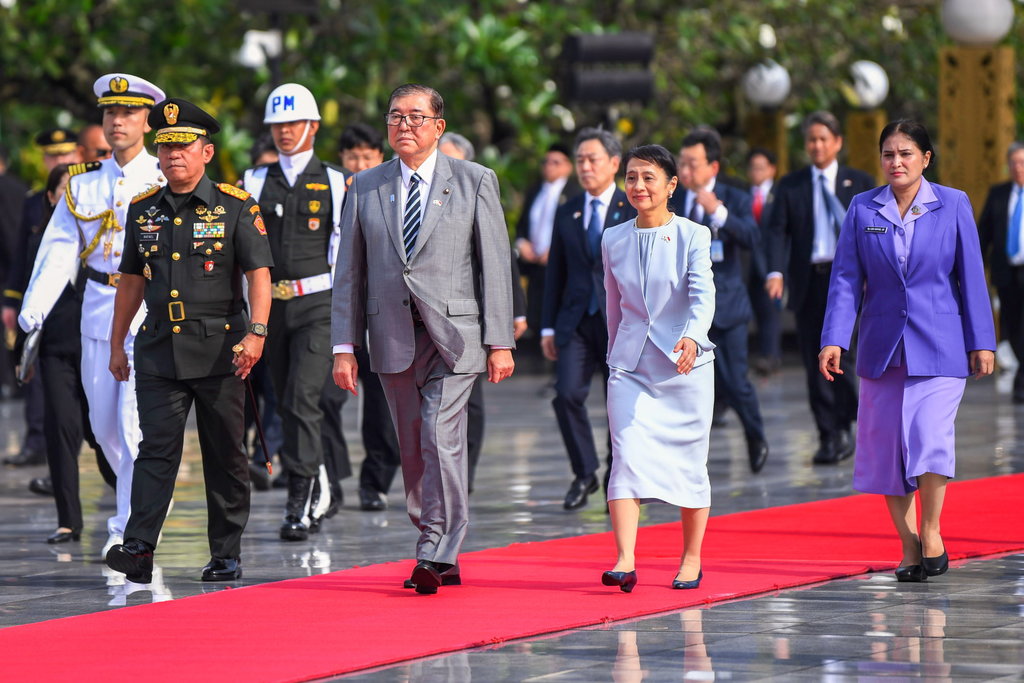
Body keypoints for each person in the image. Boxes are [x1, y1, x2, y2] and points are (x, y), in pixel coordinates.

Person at [332, 83, 515, 594]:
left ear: (438, 126)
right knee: (412, 446)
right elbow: (349, 272)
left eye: (416, 117)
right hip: (390, 335)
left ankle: (436, 547)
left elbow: (495, 265)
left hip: (455, 336)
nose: (405, 126)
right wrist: (344, 346)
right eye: (396, 117)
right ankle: (439, 544)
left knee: (439, 433)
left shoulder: (475, 180)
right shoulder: (365, 187)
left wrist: (500, 341)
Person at [818, 119, 995, 582]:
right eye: (888, 155)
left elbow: (971, 278)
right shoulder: (862, 207)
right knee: (886, 454)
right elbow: (845, 279)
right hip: (882, 349)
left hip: (940, 345)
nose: (896, 162)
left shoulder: (953, 204)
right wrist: (834, 338)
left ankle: (932, 530)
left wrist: (982, 342)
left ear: (926, 159)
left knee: (930, 438)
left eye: (906, 154)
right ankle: (908, 542)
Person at [105, 98, 273, 583]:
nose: (174, 154)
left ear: (206, 151)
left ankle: (225, 552)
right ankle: (138, 548)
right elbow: (132, 280)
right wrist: (117, 343)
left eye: (184, 146)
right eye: (166, 146)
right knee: (155, 449)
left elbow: (259, 275)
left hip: (221, 348)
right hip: (158, 348)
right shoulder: (144, 210)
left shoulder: (236, 206)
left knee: (225, 454)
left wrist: (257, 333)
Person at [19, 74, 166, 556]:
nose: (117, 121)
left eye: (127, 113)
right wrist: (34, 310)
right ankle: (136, 515)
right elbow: (60, 247)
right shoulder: (84, 183)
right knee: (103, 431)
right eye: (110, 113)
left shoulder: (163, 177)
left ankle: (130, 529)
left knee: (132, 426)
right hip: (98, 311)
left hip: (149, 313)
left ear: (147, 120)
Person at [600, 144, 716, 593]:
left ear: (671, 185)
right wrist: (614, 353)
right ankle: (625, 559)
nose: (638, 186)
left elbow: (703, 295)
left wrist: (692, 335)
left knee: (689, 464)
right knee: (625, 455)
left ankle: (691, 558)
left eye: (648, 177)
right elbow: (613, 303)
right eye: (631, 177)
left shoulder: (693, 234)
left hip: (684, 367)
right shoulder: (613, 237)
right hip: (629, 365)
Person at [240, 83, 347, 540]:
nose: (285, 132)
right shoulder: (253, 181)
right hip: (270, 308)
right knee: (284, 403)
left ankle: (299, 500)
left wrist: (350, 320)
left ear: (313, 127)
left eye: (293, 123)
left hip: (318, 303)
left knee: (304, 398)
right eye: (278, 125)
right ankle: (315, 476)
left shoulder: (338, 180)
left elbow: (344, 251)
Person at [765, 111, 875, 465]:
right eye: (810, 139)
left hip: (850, 281)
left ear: (837, 142)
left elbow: (874, 231)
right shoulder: (791, 184)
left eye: (823, 139)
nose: (816, 145)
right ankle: (829, 433)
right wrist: (776, 272)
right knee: (817, 360)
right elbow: (776, 231)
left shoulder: (859, 182)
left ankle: (854, 423)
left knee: (847, 354)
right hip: (810, 279)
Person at [543, 127, 637, 510]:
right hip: (576, 319)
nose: (584, 167)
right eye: (579, 159)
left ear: (614, 164)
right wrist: (547, 325)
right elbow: (556, 272)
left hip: (621, 321)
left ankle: (620, 472)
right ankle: (584, 472)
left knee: (619, 400)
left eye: (592, 159)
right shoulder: (568, 210)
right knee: (566, 395)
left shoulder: (632, 206)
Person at [438, 131, 527, 491]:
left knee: (468, 402)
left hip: (467, 316)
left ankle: (464, 478)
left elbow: (499, 256)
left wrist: (512, 314)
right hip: (421, 316)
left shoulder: (475, 188)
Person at [677, 129, 768, 473]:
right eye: (681, 164)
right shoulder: (674, 201)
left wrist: (719, 213)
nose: (685, 171)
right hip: (684, 309)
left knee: (733, 379)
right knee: (682, 385)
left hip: (726, 305)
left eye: (692, 164)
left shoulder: (733, 196)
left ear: (712, 165)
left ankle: (755, 435)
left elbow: (751, 236)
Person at [336, 122, 400, 512]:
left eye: (366, 156)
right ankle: (328, 476)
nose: (359, 163)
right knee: (324, 401)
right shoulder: (331, 189)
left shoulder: (389, 190)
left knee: (380, 403)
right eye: (352, 157)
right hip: (337, 307)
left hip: (381, 311)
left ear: (379, 158)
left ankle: (374, 482)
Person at [515, 143, 578, 356]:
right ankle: (538, 362)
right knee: (536, 314)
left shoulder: (574, 192)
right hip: (535, 264)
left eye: (556, 162)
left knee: (558, 315)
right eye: (546, 162)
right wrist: (522, 243)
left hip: (562, 265)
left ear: (568, 166)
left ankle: (556, 368)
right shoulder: (535, 190)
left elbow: (575, 228)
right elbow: (522, 224)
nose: (549, 166)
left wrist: (556, 249)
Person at [978, 142, 1024, 403]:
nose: (1018, 168)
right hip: (1006, 271)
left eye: (1023, 162)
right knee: (1011, 326)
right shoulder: (998, 193)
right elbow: (983, 234)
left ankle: (1021, 381)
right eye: (1014, 163)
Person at [746, 147, 782, 375]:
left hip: (770, 263)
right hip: (747, 264)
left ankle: (770, 356)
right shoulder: (742, 195)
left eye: (761, 167)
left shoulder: (779, 195)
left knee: (770, 312)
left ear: (771, 169)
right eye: (752, 168)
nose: (756, 172)